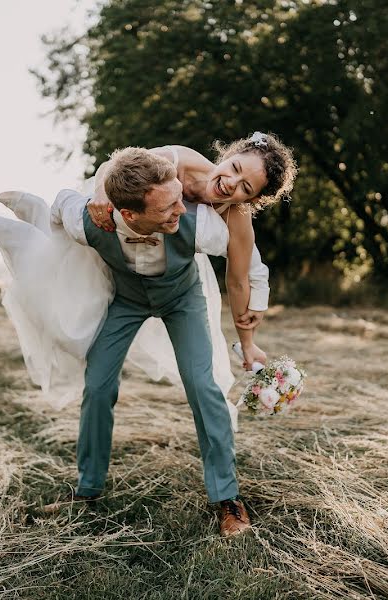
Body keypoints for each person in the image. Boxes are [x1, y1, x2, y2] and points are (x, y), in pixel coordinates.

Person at [0, 132, 297, 433]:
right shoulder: (181, 159)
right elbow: (119, 166)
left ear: (252, 200)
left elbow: (240, 278)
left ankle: (41, 220)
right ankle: (37, 218)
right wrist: (102, 193)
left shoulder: (235, 217)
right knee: (68, 277)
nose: (231, 183)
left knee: (83, 331)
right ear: (229, 154)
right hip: (112, 210)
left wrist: (249, 340)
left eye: (245, 188)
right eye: (235, 168)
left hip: (167, 257)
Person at [43, 147, 258, 536]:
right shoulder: (89, 222)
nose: (183, 208)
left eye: (180, 197)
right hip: (126, 300)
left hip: (182, 299)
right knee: (97, 383)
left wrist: (249, 338)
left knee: (202, 384)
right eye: (169, 206)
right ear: (129, 215)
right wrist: (92, 202)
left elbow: (245, 272)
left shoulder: (204, 224)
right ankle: (88, 488)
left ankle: (227, 497)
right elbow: (60, 203)